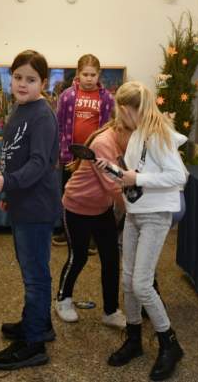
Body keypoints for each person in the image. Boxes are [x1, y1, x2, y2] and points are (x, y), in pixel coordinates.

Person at [99, 81, 188, 381]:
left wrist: (136, 178)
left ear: (126, 109)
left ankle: (170, 343)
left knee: (141, 284)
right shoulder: (138, 134)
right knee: (128, 281)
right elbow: (135, 174)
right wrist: (114, 171)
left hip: (154, 216)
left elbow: (178, 176)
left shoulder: (159, 135)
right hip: (135, 213)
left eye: (118, 111)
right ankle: (134, 338)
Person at [0, 50, 60, 370]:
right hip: (22, 202)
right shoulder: (21, 108)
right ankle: (38, 322)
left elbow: (39, 163)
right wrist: (10, 194)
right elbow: (13, 154)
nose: (22, 84)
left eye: (30, 79)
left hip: (37, 207)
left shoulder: (42, 115)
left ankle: (33, 343)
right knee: (30, 268)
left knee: (35, 275)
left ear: (43, 82)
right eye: (17, 77)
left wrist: (8, 182)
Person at [54, 117, 131, 328]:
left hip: (101, 209)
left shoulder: (122, 141)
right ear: (122, 129)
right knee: (78, 257)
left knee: (111, 258)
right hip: (76, 208)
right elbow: (112, 185)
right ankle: (62, 299)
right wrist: (135, 209)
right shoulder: (104, 143)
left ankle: (110, 311)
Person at [53, 54, 115, 253]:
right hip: (70, 155)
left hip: (95, 156)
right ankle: (68, 231)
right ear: (78, 74)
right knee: (69, 192)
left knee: (94, 194)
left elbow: (110, 126)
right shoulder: (67, 96)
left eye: (92, 75)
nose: (89, 78)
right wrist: (58, 150)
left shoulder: (107, 98)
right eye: (85, 74)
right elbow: (59, 125)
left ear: (99, 75)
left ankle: (92, 236)